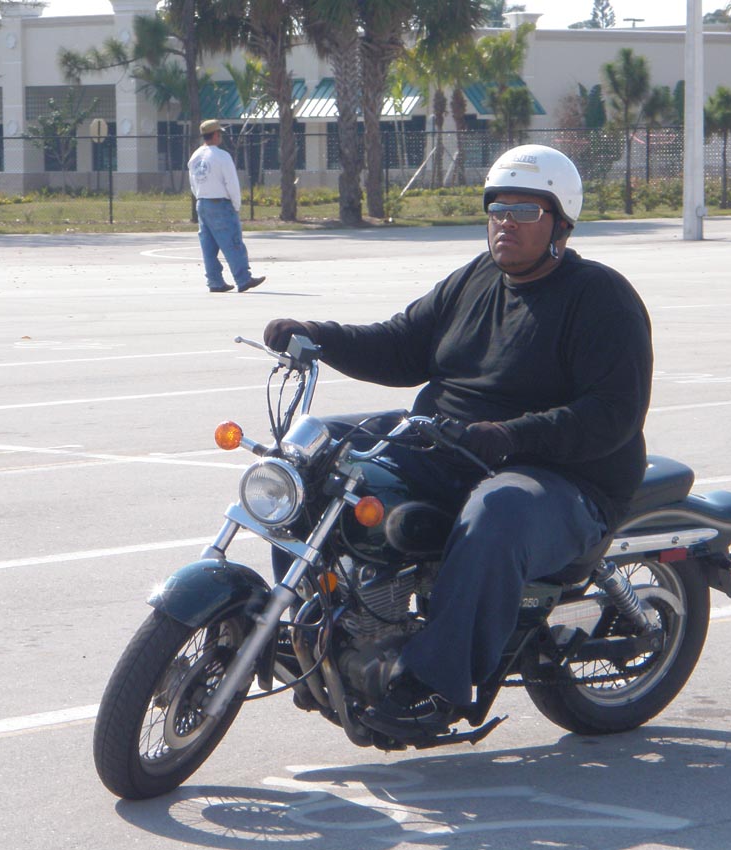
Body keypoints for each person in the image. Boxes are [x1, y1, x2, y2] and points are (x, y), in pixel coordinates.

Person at [263, 144, 653, 741]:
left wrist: (510, 435)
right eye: (497, 209)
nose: (505, 223)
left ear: (560, 223)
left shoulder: (601, 298)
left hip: (567, 476)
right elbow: (402, 345)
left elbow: (612, 414)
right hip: (453, 447)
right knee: (309, 453)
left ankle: (435, 684)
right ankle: (316, 626)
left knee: (498, 510)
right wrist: (318, 334)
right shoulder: (477, 278)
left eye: (524, 211)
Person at [187, 119, 266, 294]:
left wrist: (200, 197)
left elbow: (193, 183)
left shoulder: (195, 156)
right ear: (215, 134)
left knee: (208, 247)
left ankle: (215, 281)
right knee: (233, 242)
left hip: (202, 202)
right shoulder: (222, 156)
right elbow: (231, 183)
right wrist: (236, 205)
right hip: (220, 203)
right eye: (220, 133)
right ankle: (243, 279)